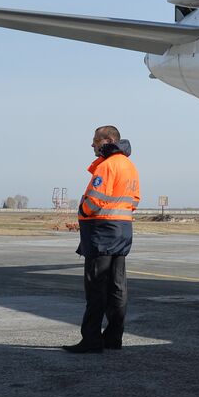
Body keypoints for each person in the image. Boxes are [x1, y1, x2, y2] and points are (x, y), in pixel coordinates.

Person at [64, 125, 141, 353]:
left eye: (95, 141)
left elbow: (95, 199)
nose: (92, 145)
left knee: (96, 288)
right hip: (122, 230)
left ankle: (91, 340)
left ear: (107, 140)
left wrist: (84, 210)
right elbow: (134, 199)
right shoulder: (129, 165)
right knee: (117, 288)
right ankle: (113, 338)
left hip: (103, 232)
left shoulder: (107, 166)